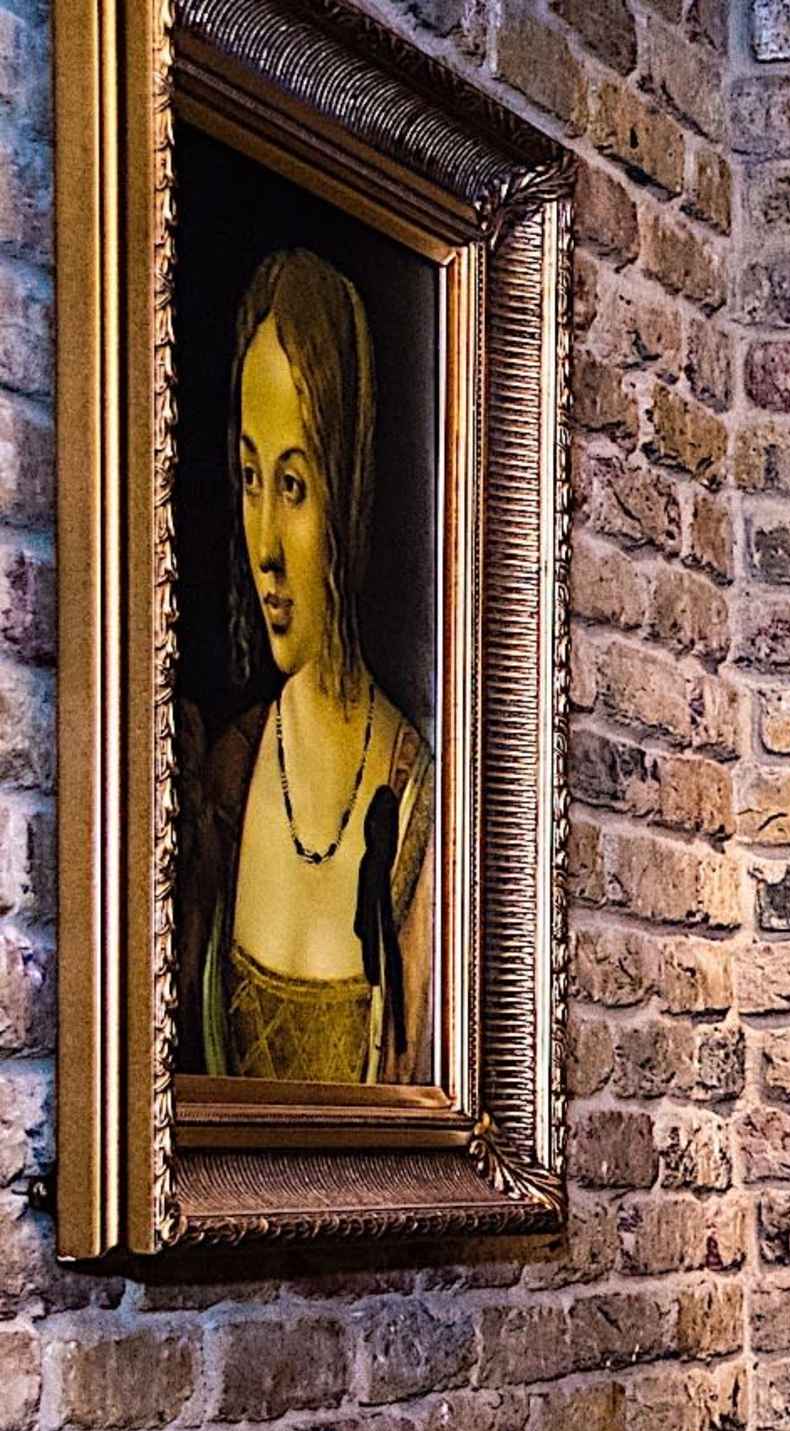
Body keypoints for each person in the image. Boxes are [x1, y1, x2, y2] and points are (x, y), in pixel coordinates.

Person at [174, 247, 436, 1086]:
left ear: (348, 487)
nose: (264, 550)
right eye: (250, 479)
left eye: (293, 486)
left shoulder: (417, 797)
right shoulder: (227, 774)